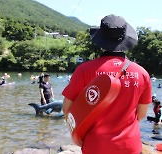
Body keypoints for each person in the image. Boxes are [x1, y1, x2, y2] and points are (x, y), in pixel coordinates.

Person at [62, 14, 152, 154]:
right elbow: (141, 115)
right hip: (130, 146)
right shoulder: (142, 73)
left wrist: (77, 134)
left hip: (95, 145)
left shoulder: (84, 70)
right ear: (125, 39)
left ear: (100, 39)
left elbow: (67, 109)